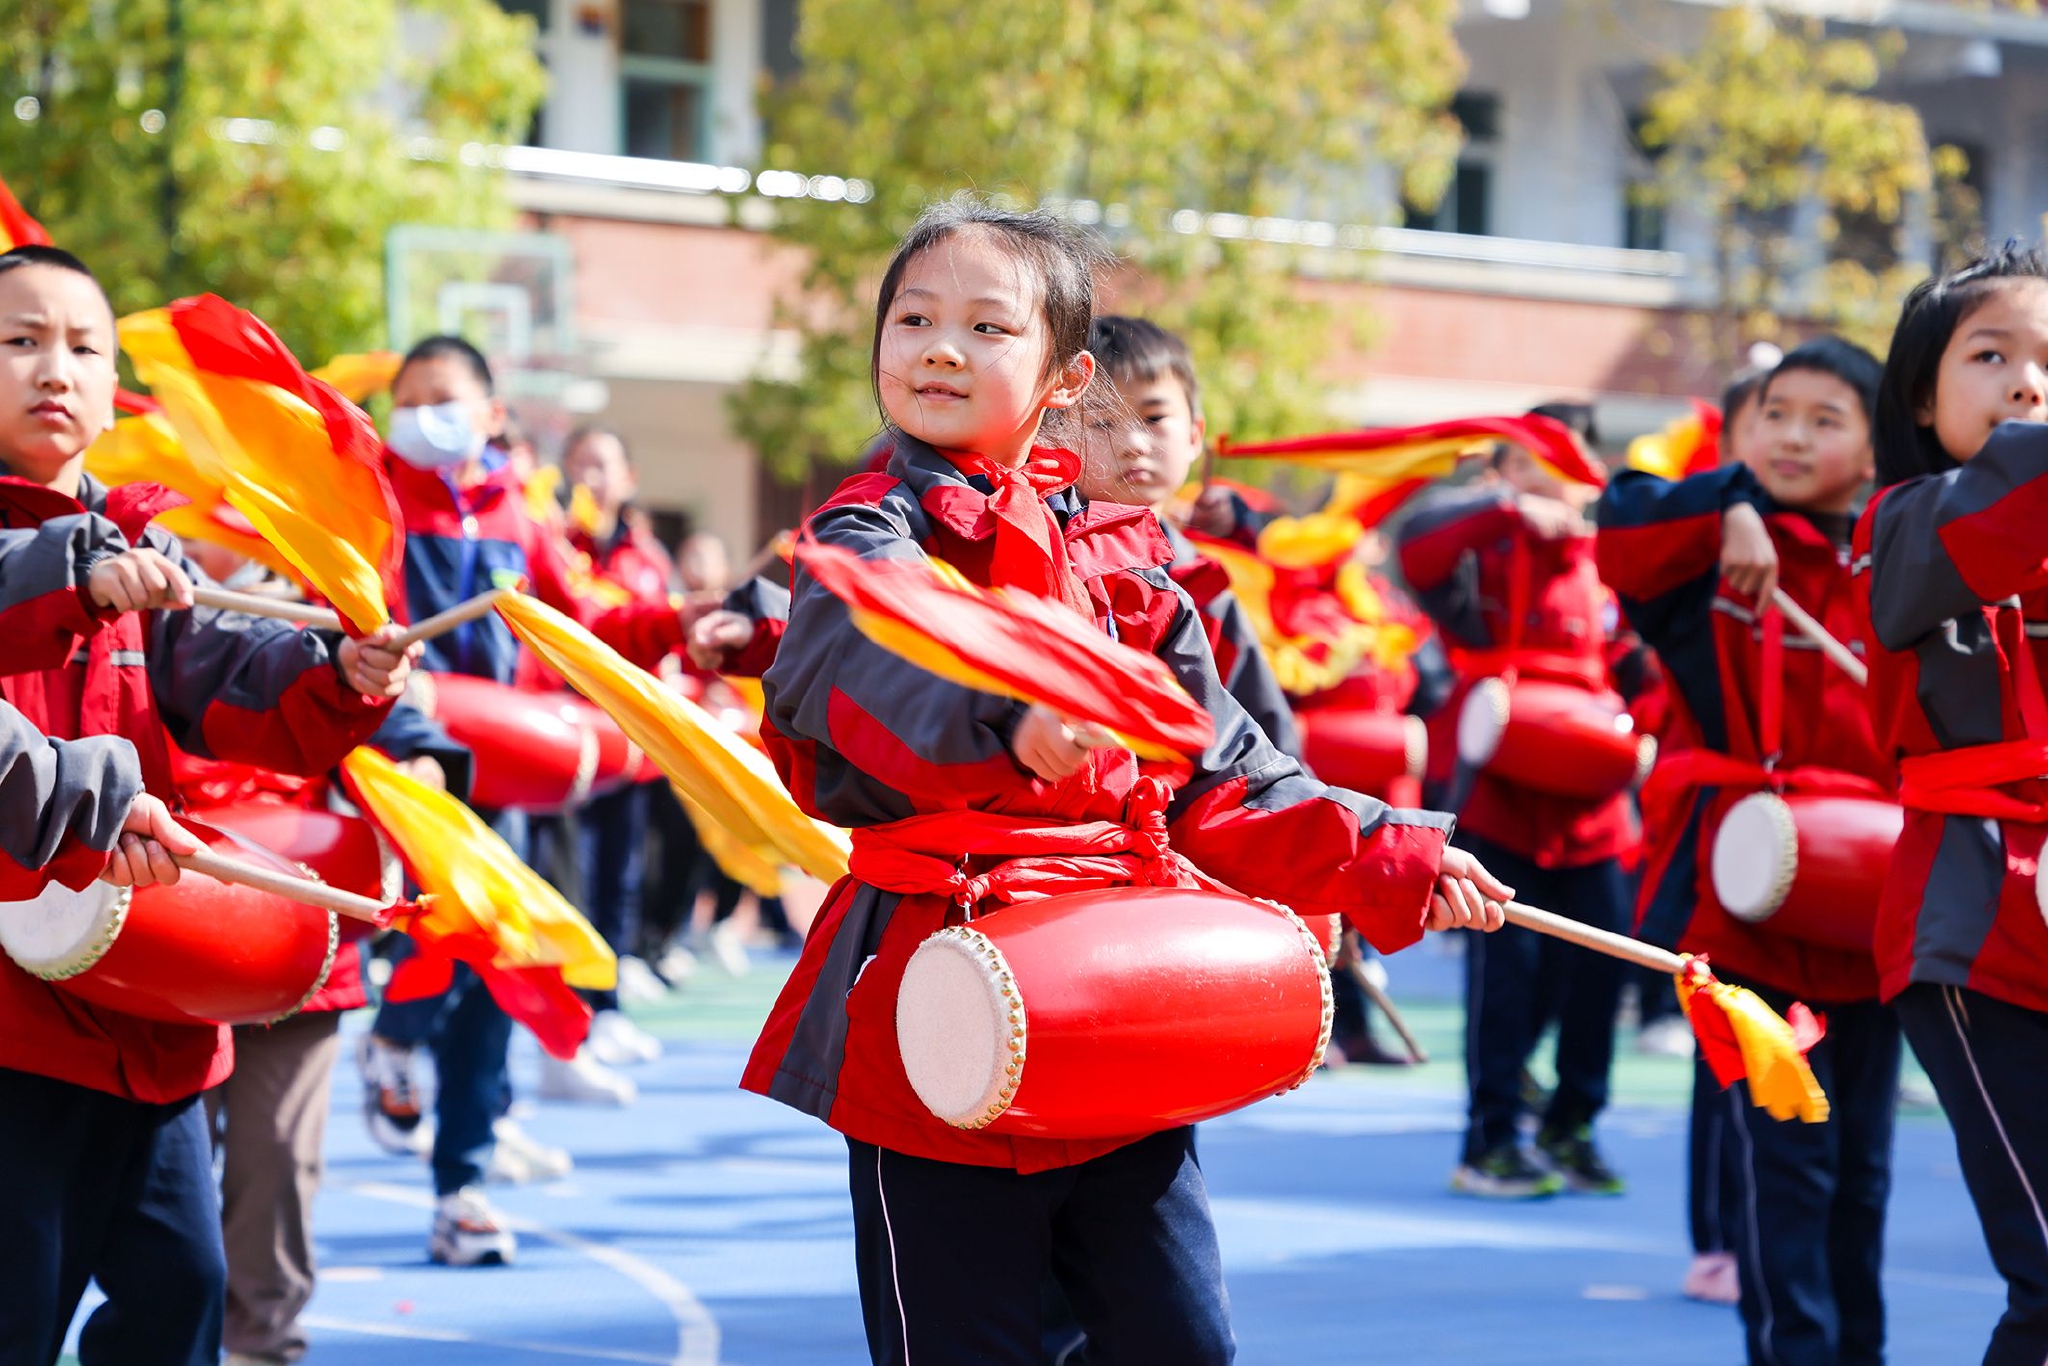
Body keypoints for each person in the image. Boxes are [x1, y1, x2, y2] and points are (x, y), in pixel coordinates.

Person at [741, 199, 1512, 1366]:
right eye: (912, 318)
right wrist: (1003, 716)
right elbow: (858, 665)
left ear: (1063, 377)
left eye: (985, 327)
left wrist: (1387, 851)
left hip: (1115, 1006)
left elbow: (1226, 770)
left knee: (1179, 1344)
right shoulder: (866, 529)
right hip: (937, 999)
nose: (939, 346)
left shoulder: (1132, 567)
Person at [0, 243, 414, 1365]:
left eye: (83, 346)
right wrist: (65, 571)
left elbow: (230, 677)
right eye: (21, 341)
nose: (56, 369)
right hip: (13, 1028)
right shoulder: (74, 555)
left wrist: (337, 677)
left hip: (147, 1007)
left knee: (183, 1294)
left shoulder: (141, 548)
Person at [1600, 337, 1900, 1364]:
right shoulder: (1706, 559)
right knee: (1785, 1160)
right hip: (1749, 903)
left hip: (1873, 893)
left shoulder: (1899, 551)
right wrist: (1728, 499)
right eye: (1775, 413)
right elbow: (1622, 517)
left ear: (1873, 447)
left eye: (1826, 419)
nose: (1791, 436)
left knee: (1861, 1165)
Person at [360, 335, 691, 1265]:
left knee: (497, 968)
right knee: (451, 938)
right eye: (411, 399)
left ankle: (459, 1186)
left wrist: (683, 624)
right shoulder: (374, 502)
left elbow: (585, 620)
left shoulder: (518, 516)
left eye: (445, 397)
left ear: (492, 414)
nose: (426, 415)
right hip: (408, 767)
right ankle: (394, 1034)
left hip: (497, 771)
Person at [1852, 241, 2048, 1366]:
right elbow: (2013, 492)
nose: (2026, 380)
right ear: (1921, 399)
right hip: (1974, 927)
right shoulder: (1906, 520)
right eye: (1990, 354)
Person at [1397, 417, 1637, 1199]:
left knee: (1598, 976)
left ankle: (1574, 1126)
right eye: (1527, 462)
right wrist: (1502, 511)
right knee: (1508, 977)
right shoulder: (1484, 544)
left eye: (1563, 463)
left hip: (1594, 808)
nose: (1546, 480)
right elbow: (1416, 550)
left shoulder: (1608, 561)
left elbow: (1645, 660)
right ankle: (1492, 1138)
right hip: (1502, 799)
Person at [559, 425, 670, 1064]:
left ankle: (606, 1003)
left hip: (630, 741)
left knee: (617, 877)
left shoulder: (648, 559)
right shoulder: (554, 550)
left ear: (628, 479)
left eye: (602, 465)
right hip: (568, 739)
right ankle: (577, 1010)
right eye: (579, 465)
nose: (590, 477)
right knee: (571, 876)